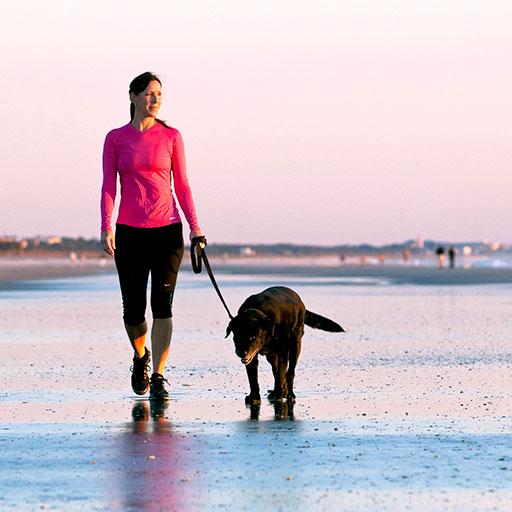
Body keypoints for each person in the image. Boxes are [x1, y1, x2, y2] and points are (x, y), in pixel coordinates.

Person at [100, 72, 203, 400]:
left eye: (159, 94)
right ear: (132, 96)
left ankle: (158, 375)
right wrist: (107, 225)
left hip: (167, 232)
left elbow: (183, 185)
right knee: (133, 310)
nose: (154, 99)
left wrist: (196, 228)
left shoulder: (172, 136)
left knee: (163, 305)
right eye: (148, 93)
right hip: (129, 233)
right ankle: (140, 356)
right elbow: (108, 186)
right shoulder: (116, 138)